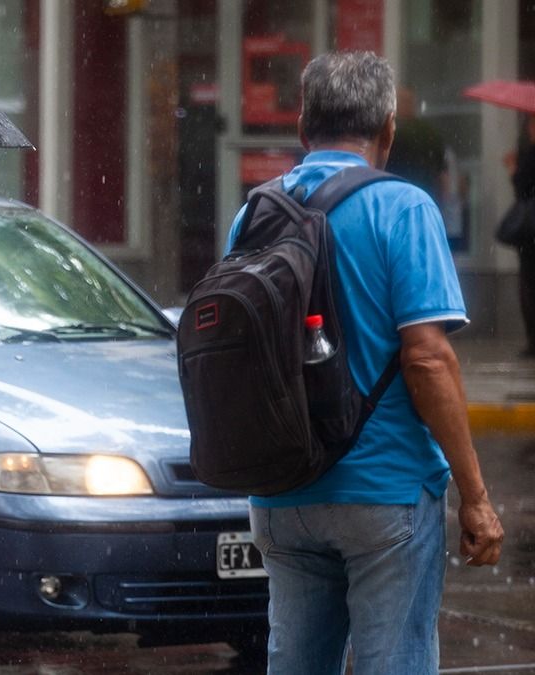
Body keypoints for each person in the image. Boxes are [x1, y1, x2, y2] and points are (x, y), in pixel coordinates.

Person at [230, 52, 504, 673]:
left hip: (280, 493)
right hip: (384, 494)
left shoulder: (255, 214)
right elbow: (428, 360)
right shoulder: (402, 208)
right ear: (387, 129)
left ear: (304, 130)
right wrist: (475, 496)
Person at [504, 114, 535, 355]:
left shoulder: (529, 155)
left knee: (528, 283)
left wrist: (513, 169)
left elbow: (522, 188)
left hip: (530, 232)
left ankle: (533, 339)